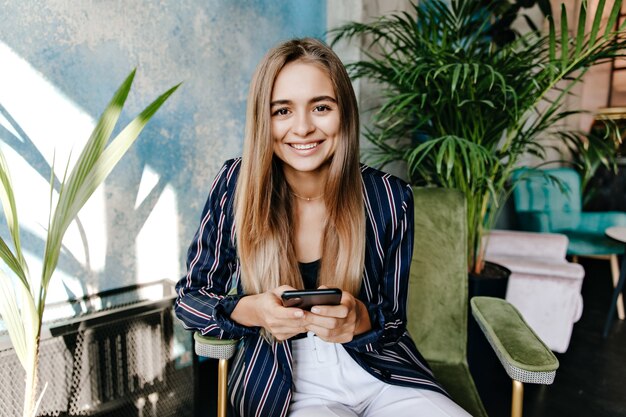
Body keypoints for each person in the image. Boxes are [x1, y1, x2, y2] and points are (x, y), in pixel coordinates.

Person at [175, 38, 470, 417]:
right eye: (282, 110)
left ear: (343, 112)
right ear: (263, 119)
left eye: (320, 107)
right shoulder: (236, 184)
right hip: (288, 382)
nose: (302, 128)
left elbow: (393, 320)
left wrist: (358, 319)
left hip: (380, 371)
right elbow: (189, 299)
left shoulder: (390, 197)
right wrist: (253, 311)